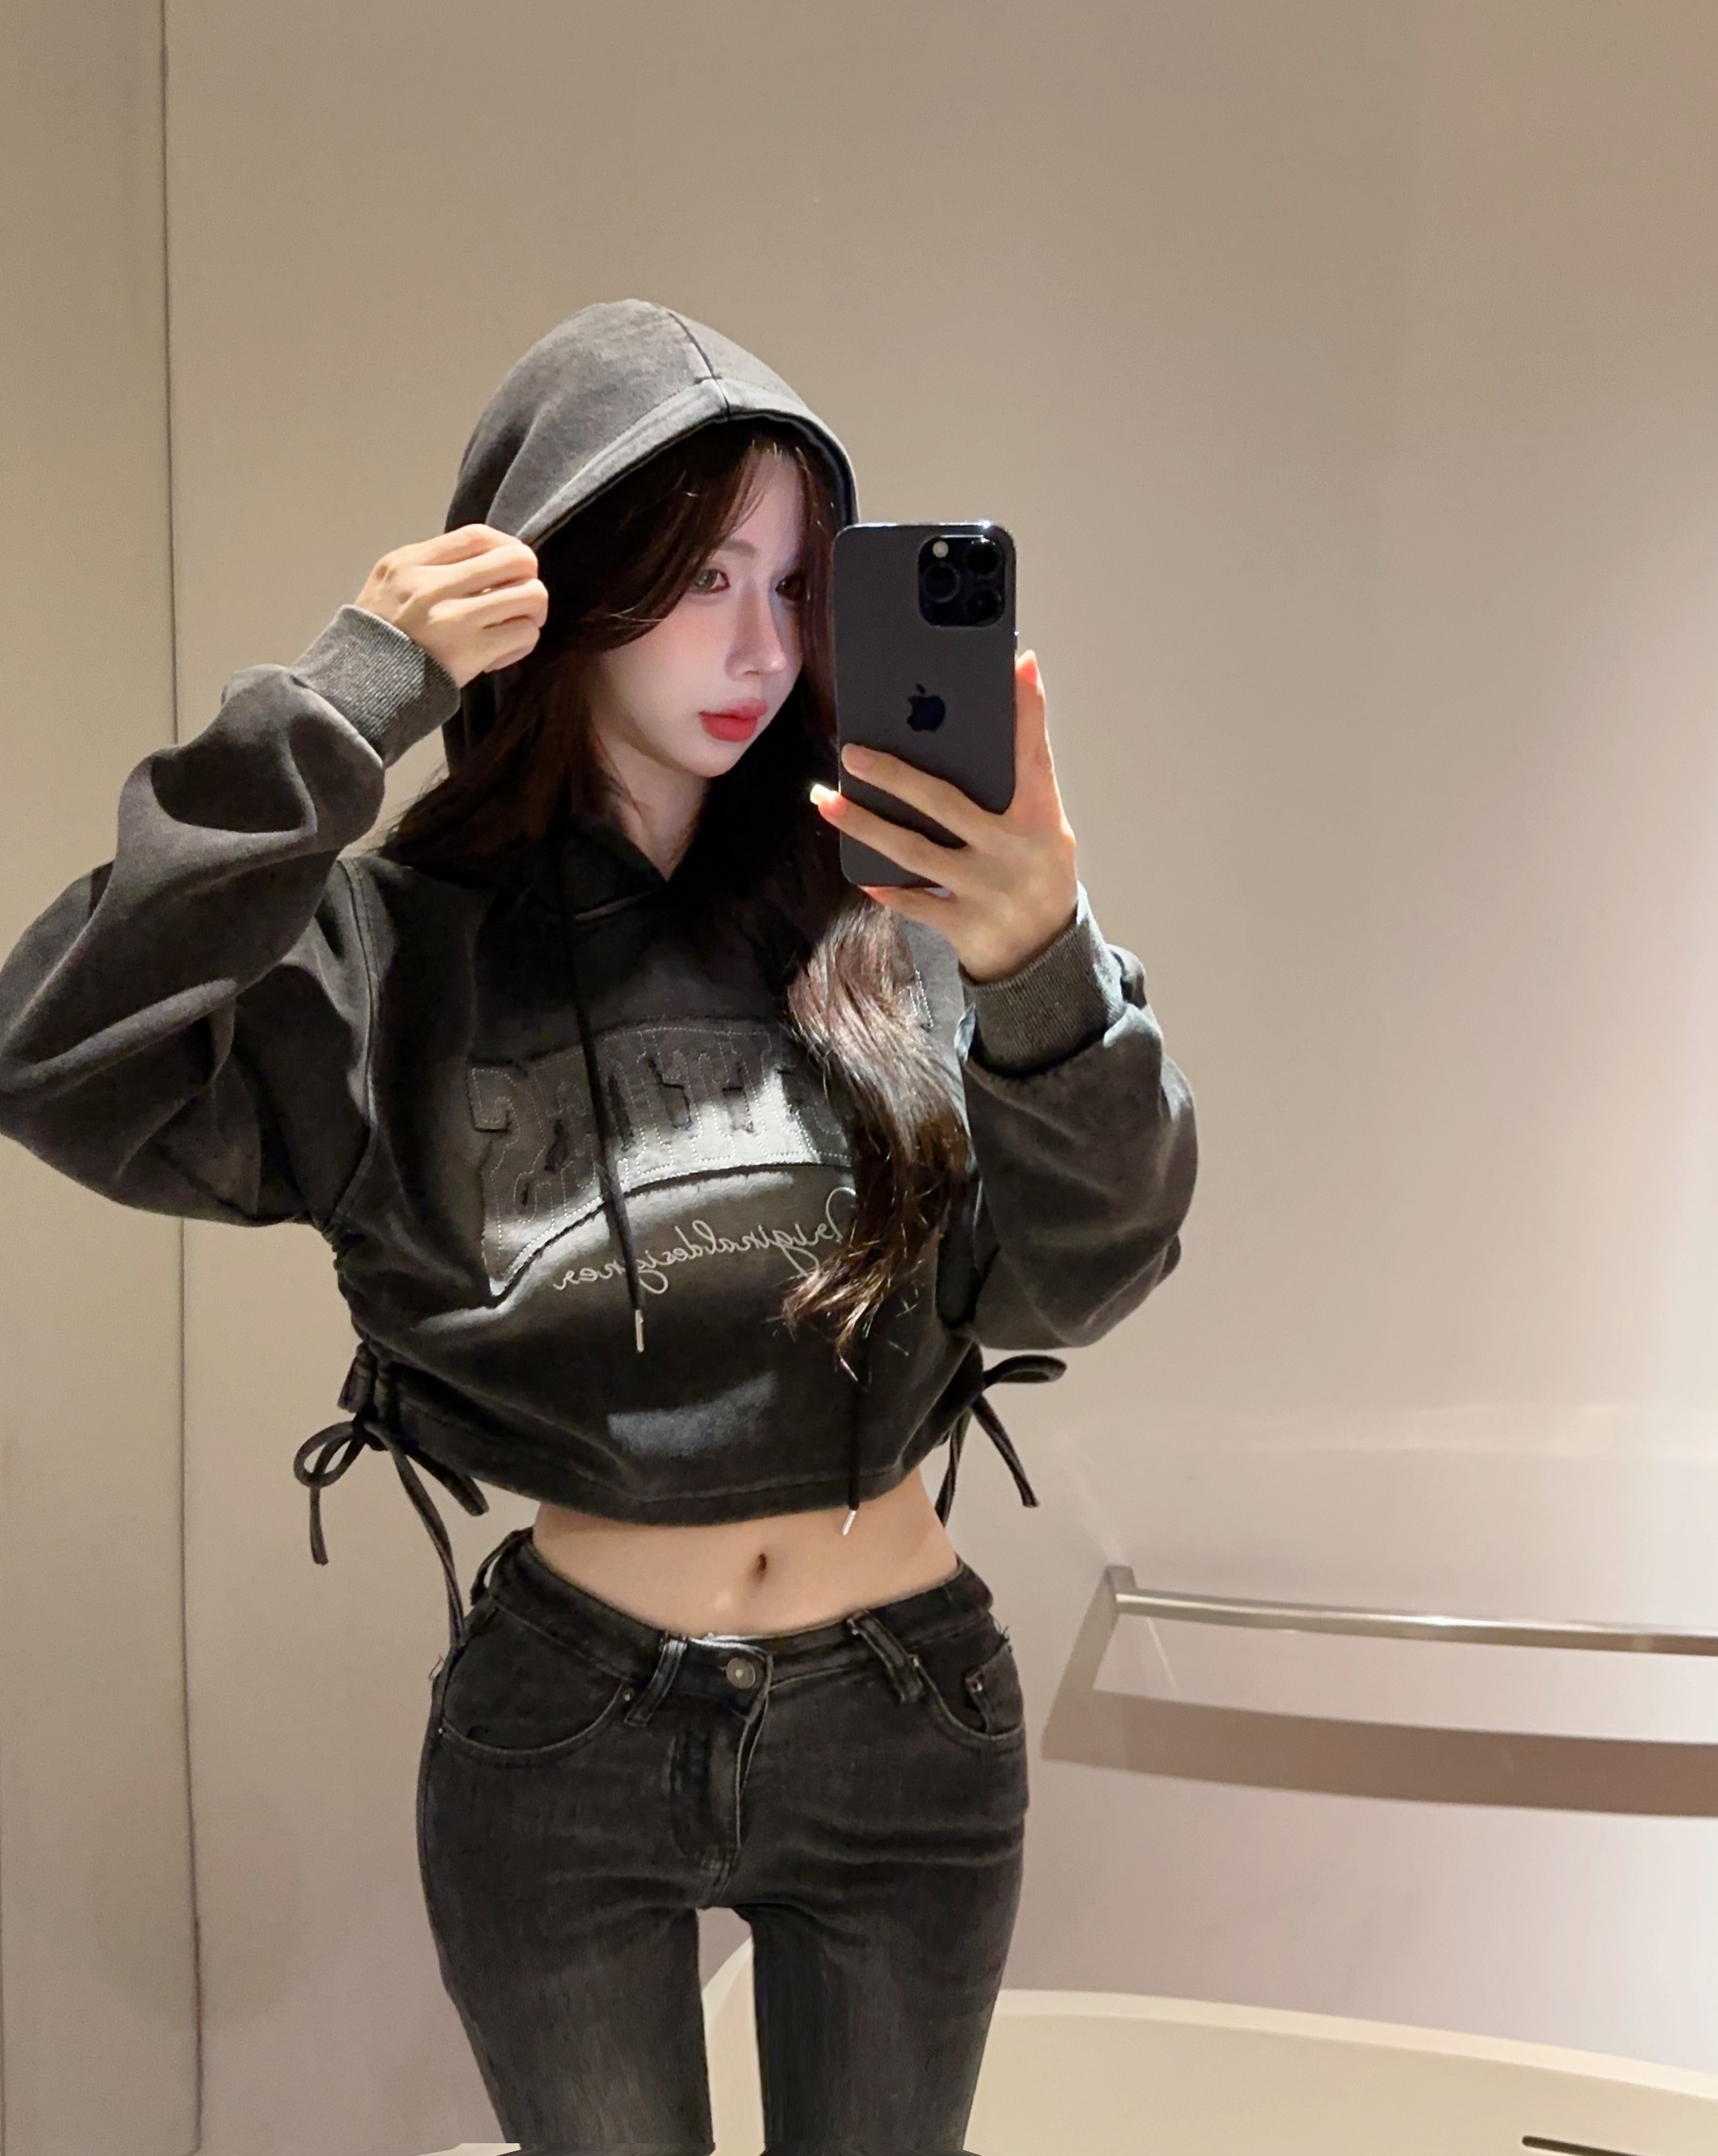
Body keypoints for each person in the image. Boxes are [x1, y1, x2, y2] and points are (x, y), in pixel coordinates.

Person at [0, 300, 1196, 2154]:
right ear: (553, 585)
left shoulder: (896, 924)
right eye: (701, 577)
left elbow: (1089, 1268)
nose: (760, 644)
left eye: (793, 586)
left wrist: (1044, 961)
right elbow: (59, 1056)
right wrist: (344, 699)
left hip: (903, 1719)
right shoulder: (395, 955)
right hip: (569, 1735)